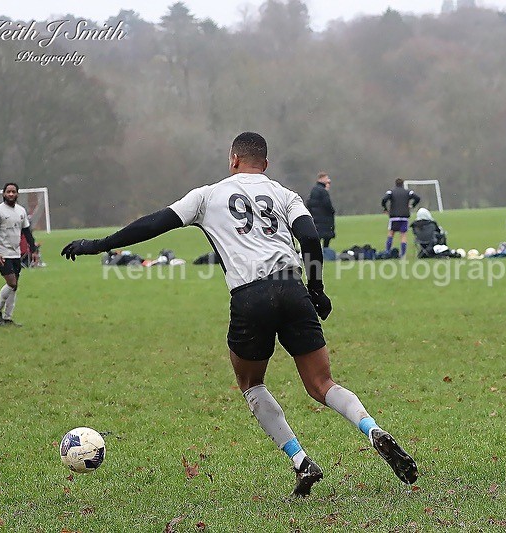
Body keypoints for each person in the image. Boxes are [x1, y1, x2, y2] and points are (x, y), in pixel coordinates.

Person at [61, 132, 418, 496]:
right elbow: (310, 239)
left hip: (251, 296)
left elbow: (153, 224)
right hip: (292, 289)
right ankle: (371, 428)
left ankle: (301, 461)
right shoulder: (285, 194)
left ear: (233, 160)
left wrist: (99, 245)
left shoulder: (207, 196)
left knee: (251, 383)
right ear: (265, 164)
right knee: (322, 384)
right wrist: (316, 289)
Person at [0, 183, 37, 327]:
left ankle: (8, 318)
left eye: (13, 192)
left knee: (14, 287)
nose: (11, 194)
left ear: (17, 194)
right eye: (8, 192)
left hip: (16, 253)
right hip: (3, 252)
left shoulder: (21, 211)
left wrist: (34, 250)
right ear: (3, 194)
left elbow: (27, 232)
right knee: (11, 283)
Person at [381, 178, 420, 258]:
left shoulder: (391, 192)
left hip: (394, 217)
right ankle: (403, 255)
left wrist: (385, 208)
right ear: (402, 184)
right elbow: (417, 198)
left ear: (395, 184)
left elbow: (384, 199)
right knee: (403, 235)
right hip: (404, 217)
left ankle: (387, 251)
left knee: (391, 233)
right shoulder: (407, 192)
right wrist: (412, 205)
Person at [306, 172, 335, 248]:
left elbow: (309, 204)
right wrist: (332, 211)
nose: (328, 180)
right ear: (321, 179)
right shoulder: (323, 191)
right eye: (326, 178)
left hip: (316, 218)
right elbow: (327, 204)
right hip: (324, 219)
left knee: (317, 237)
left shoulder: (314, 190)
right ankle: (325, 251)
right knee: (326, 237)